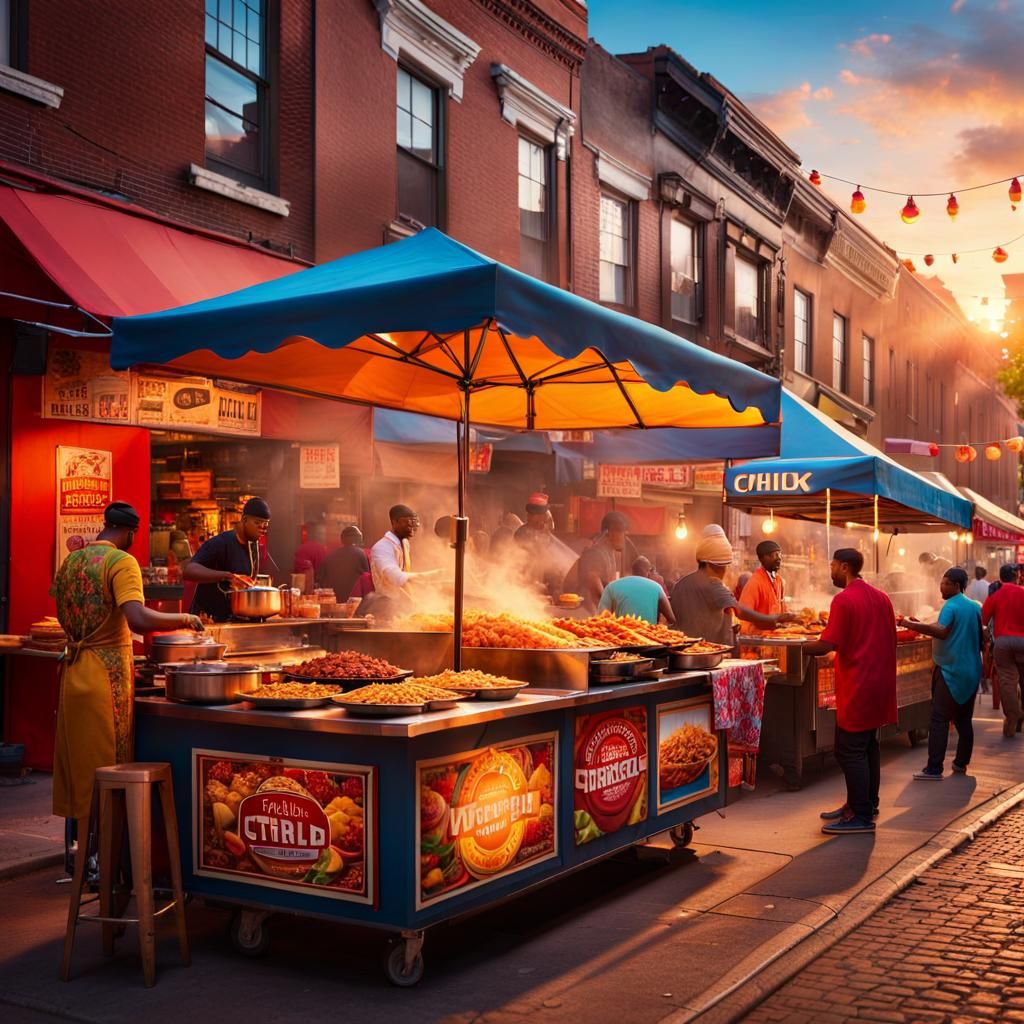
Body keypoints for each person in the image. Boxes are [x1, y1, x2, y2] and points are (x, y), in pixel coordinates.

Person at [50, 502, 203, 826]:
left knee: (79, 766)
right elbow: (138, 616)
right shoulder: (121, 561)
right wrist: (185, 618)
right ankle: (109, 857)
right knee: (110, 767)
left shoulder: (72, 561)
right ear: (130, 532)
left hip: (73, 673)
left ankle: (84, 855)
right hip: (105, 679)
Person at [804, 549, 897, 835]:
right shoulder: (882, 597)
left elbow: (827, 644)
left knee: (850, 751)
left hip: (859, 684)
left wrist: (794, 647)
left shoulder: (843, 600)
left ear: (844, 567)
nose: (830, 570)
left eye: (832, 565)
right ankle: (865, 803)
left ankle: (860, 815)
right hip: (879, 684)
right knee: (868, 746)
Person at [900, 567, 983, 779]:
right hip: (971, 670)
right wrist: (923, 625)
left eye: (946, 583)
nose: (941, 586)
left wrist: (909, 624)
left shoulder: (950, 605)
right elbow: (974, 636)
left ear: (956, 586)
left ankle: (934, 768)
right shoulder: (974, 607)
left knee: (939, 719)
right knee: (964, 720)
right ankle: (960, 763)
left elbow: (942, 632)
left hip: (951, 671)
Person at [669, 525, 795, 645]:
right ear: (713, 564)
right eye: (724, 566)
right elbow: (740, 611)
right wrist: (775, 618)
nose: (725, 571)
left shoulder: (681, 584)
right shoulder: (713, 584)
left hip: (680, 653)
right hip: (706, 652)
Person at [183, 497, 276, 621]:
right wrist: (228, 576)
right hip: (207, 621)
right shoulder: (220, 543)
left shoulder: (253, 547)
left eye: (265, 525)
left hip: (232, 619)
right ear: (244, 520)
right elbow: (189, 571)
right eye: (258, 523)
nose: (263, 529)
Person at [366, 504, 439, 619]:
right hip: (384, 607)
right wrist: (434, 575)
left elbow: (405, 580)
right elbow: (396, 577)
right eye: (407, 522)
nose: (412, 526)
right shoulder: (382, 547)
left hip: (401, 606)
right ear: (394, 523)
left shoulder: (405, 544)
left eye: (413, 522)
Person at [980, 574, 1024, 737]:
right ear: (1017, 577)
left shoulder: (995, 594)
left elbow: (983, 619)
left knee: (1007, 680)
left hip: (1003, 643)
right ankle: (1021, 718)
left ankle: (1012, 716)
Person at [574, 512, 638, 612]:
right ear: (609, 533)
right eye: (621, 532)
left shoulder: (610, 553)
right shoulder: (597, 553)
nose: (624, 537)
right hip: (586, 614)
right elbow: (594, 583)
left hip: (598, 613)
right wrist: (611, 610)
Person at [598, 556, 676, 625]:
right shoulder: (657, 587)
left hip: (622, 636)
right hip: (648, 638)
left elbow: (602, 618)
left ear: (632, 570)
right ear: (648, 572)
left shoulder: (611, 586)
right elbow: (671, 618)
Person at [738, 540, 786, 634]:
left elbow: (781, 611)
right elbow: (743, 615)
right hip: (756, 642)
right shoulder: (754, 583)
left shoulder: (779, 581)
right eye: (774, 555)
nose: (778, 558)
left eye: (779, 555)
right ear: (763, 559)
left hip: (776, 639)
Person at [317, 525, 370, 603]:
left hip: (334, 600)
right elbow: (367, 578)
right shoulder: (361, 554)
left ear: (342, 540)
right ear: (358, 539)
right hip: (354, 602)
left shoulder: (331, 555)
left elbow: (320, 580)